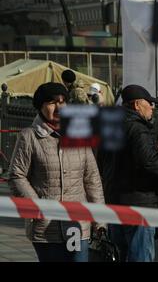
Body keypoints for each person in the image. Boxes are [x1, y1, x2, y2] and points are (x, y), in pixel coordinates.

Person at [8, 82, 105, 262]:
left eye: (63, 101)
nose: (59, 107)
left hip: (77, 225)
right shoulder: (29, 137)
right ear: (40, 106)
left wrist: (100, 220)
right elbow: (16, 175)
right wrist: (37, 205)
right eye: (52, 102)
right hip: (45, 228)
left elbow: (92, 179)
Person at [103, 84, 158, 262]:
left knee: (120, 254)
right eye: (149, 103)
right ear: (136, 105)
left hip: (114, 200)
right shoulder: (137, 128)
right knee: (140, 256)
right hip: (139, 203)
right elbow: (149, 160)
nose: (152, 107)